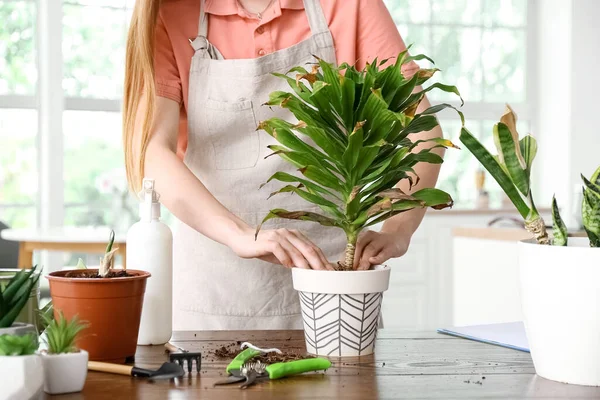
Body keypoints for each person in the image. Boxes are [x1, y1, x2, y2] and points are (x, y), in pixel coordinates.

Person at [123, 0, 444, 330]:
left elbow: (424, 131)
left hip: (335, 293)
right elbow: (153, 152)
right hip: (211, 298)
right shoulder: (171, 12)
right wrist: (241, 235)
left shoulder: (348, 5)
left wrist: (398, 230)